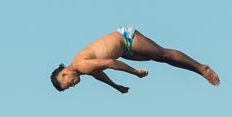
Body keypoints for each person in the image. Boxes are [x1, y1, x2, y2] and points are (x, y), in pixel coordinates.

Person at [50, 26, 219, 94]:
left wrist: (134, 72)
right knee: (161, 59)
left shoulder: (80, 64)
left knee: (163, 54)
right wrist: (116, 87)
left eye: (69, 83)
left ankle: (203, 69)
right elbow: (98, 74)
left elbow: (109, 63)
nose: (73, 85)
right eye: (71, 87)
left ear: (64, 74)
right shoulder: (82, 69)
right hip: (124, 51)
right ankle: (200, 71)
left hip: (126, 38)